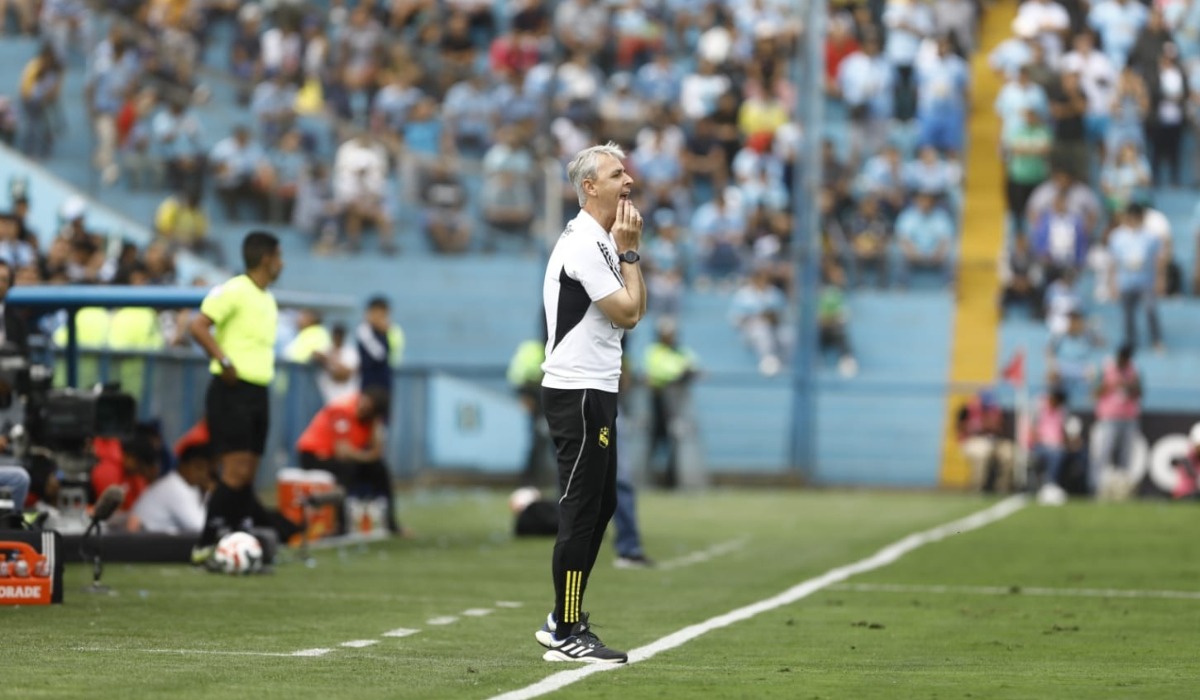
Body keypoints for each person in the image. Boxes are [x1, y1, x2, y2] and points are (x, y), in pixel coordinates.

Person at [534, 142, 646, 664]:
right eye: (616, 174)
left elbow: (634, 309)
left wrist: (628, 252)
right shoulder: (584, 242)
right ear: (589, 187)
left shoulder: (604, 239)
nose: (628, 181)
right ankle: (566, 629)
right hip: (577, 391)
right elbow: (627, 313)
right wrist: (629, 254)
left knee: (601, 506)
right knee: (581, 511)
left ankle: (563, 616)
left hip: (596, 390)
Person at [189, 230, 293, 564]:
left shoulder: (267, 298)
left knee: (248, 472)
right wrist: (223, 359)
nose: (283, 263)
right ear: (267, 259)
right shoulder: (235, 289)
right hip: (232, 390)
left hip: (258, 391)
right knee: (233, 472)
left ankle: (235, 540)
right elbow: (198, 325)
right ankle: (206, 541)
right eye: (279, 256)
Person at [295, 388, 402, 536]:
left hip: (341, 459)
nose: (363, 408)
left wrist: (375, 426)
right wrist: (367, 456)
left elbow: (377, 452)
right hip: (312, 455)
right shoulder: (343, 409)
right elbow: (342, 453)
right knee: (347, 469)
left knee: (380, 470)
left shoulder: (369, 421)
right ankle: (340, 524)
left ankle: (391, 523)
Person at [1090, 344, 1142, 499]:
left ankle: (1123, 490)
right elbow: (1095, 392)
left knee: (1125, 456)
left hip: (1128, 418)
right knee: (1102, 454)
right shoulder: (1106, 367)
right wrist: (1110, 385)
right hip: (1108, 418)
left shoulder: (1134, 370)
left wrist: (1129, 385)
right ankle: (1097, 488)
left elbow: (1140, 392)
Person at [131, 443, 214, 535]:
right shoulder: (174, 487)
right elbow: (200, 527)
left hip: (153, 542)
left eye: (206, 469)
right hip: (141, 542)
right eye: (198, 467)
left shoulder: (190, 487)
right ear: (183, 465)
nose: (202, 474)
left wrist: (207, 493)